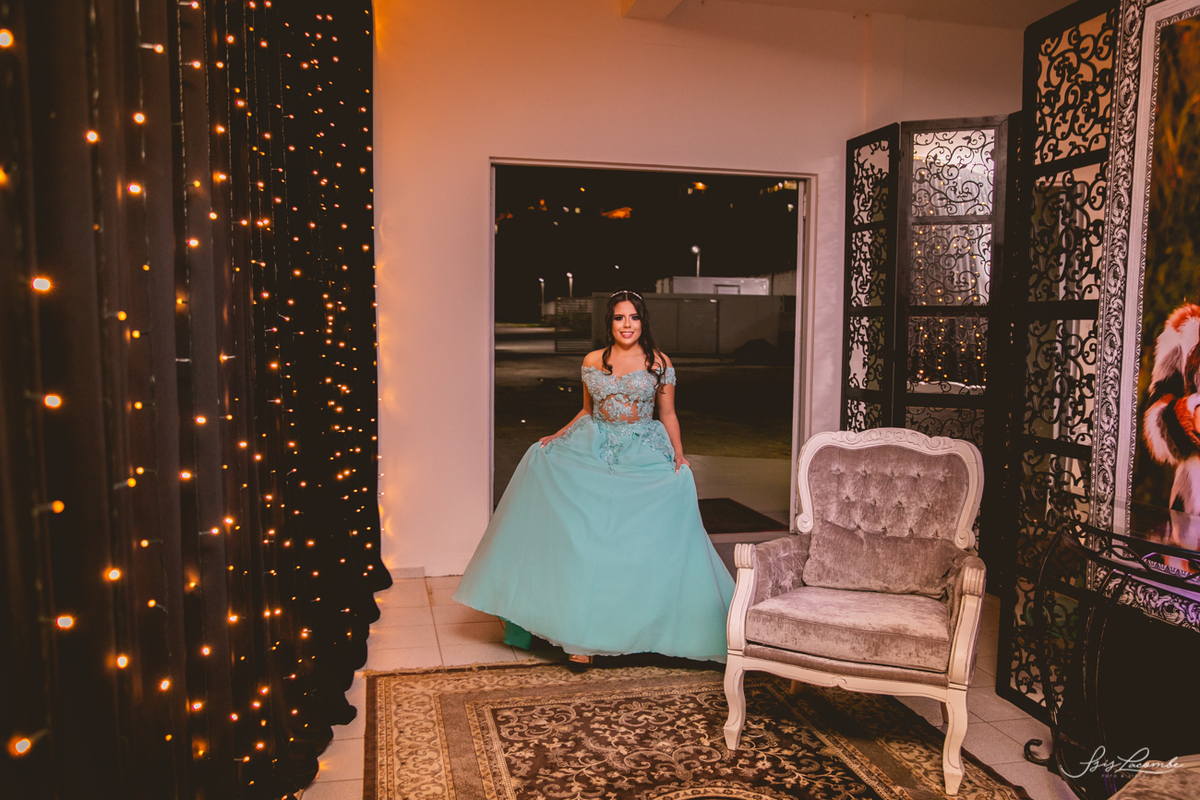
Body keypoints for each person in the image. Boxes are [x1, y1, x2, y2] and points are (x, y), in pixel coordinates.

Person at [453, 290, 735, 667]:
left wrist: (679, 454)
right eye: (619, 318)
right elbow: (586, 409)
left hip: (642, 447)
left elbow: (667, 414)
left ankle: (647, 629)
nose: (627, 325)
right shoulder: (592, 360)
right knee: (580, 528)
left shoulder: (658, 362)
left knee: (639, 533)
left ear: (643, 321)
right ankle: (576, 634)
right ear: (609, 323)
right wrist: (557, 435)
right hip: (593, 444)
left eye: (633, 317)